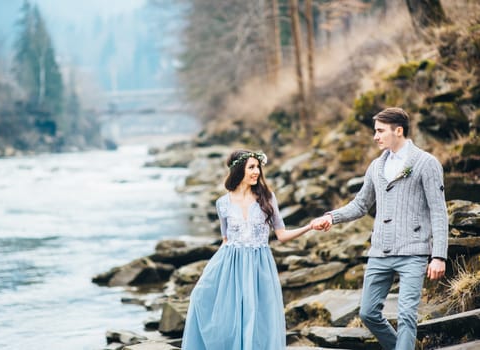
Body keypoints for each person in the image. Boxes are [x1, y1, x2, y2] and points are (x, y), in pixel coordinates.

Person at [311, 107, 448, 350]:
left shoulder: (427, 163)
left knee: (406, 316)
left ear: (399, 130)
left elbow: (438, 210)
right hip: (380, 252)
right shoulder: (376, 166)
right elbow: (361, 204)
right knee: (368, 313)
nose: (375, 136)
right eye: (375, 131)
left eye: (380, 131)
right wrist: (332, 217)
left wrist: (438, 256)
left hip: (413, 251)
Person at [181, 150, 313, 350]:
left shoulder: (267, 198)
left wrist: (310, 226)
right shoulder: (222, 203)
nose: (257, 171)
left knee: (258, 317)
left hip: (260, 265)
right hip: (230, 266)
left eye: (258, 167)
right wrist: (211, 271)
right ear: (238, 170)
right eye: (251, 167)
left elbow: (282, 235)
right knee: (202, 297)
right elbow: (226, 240)